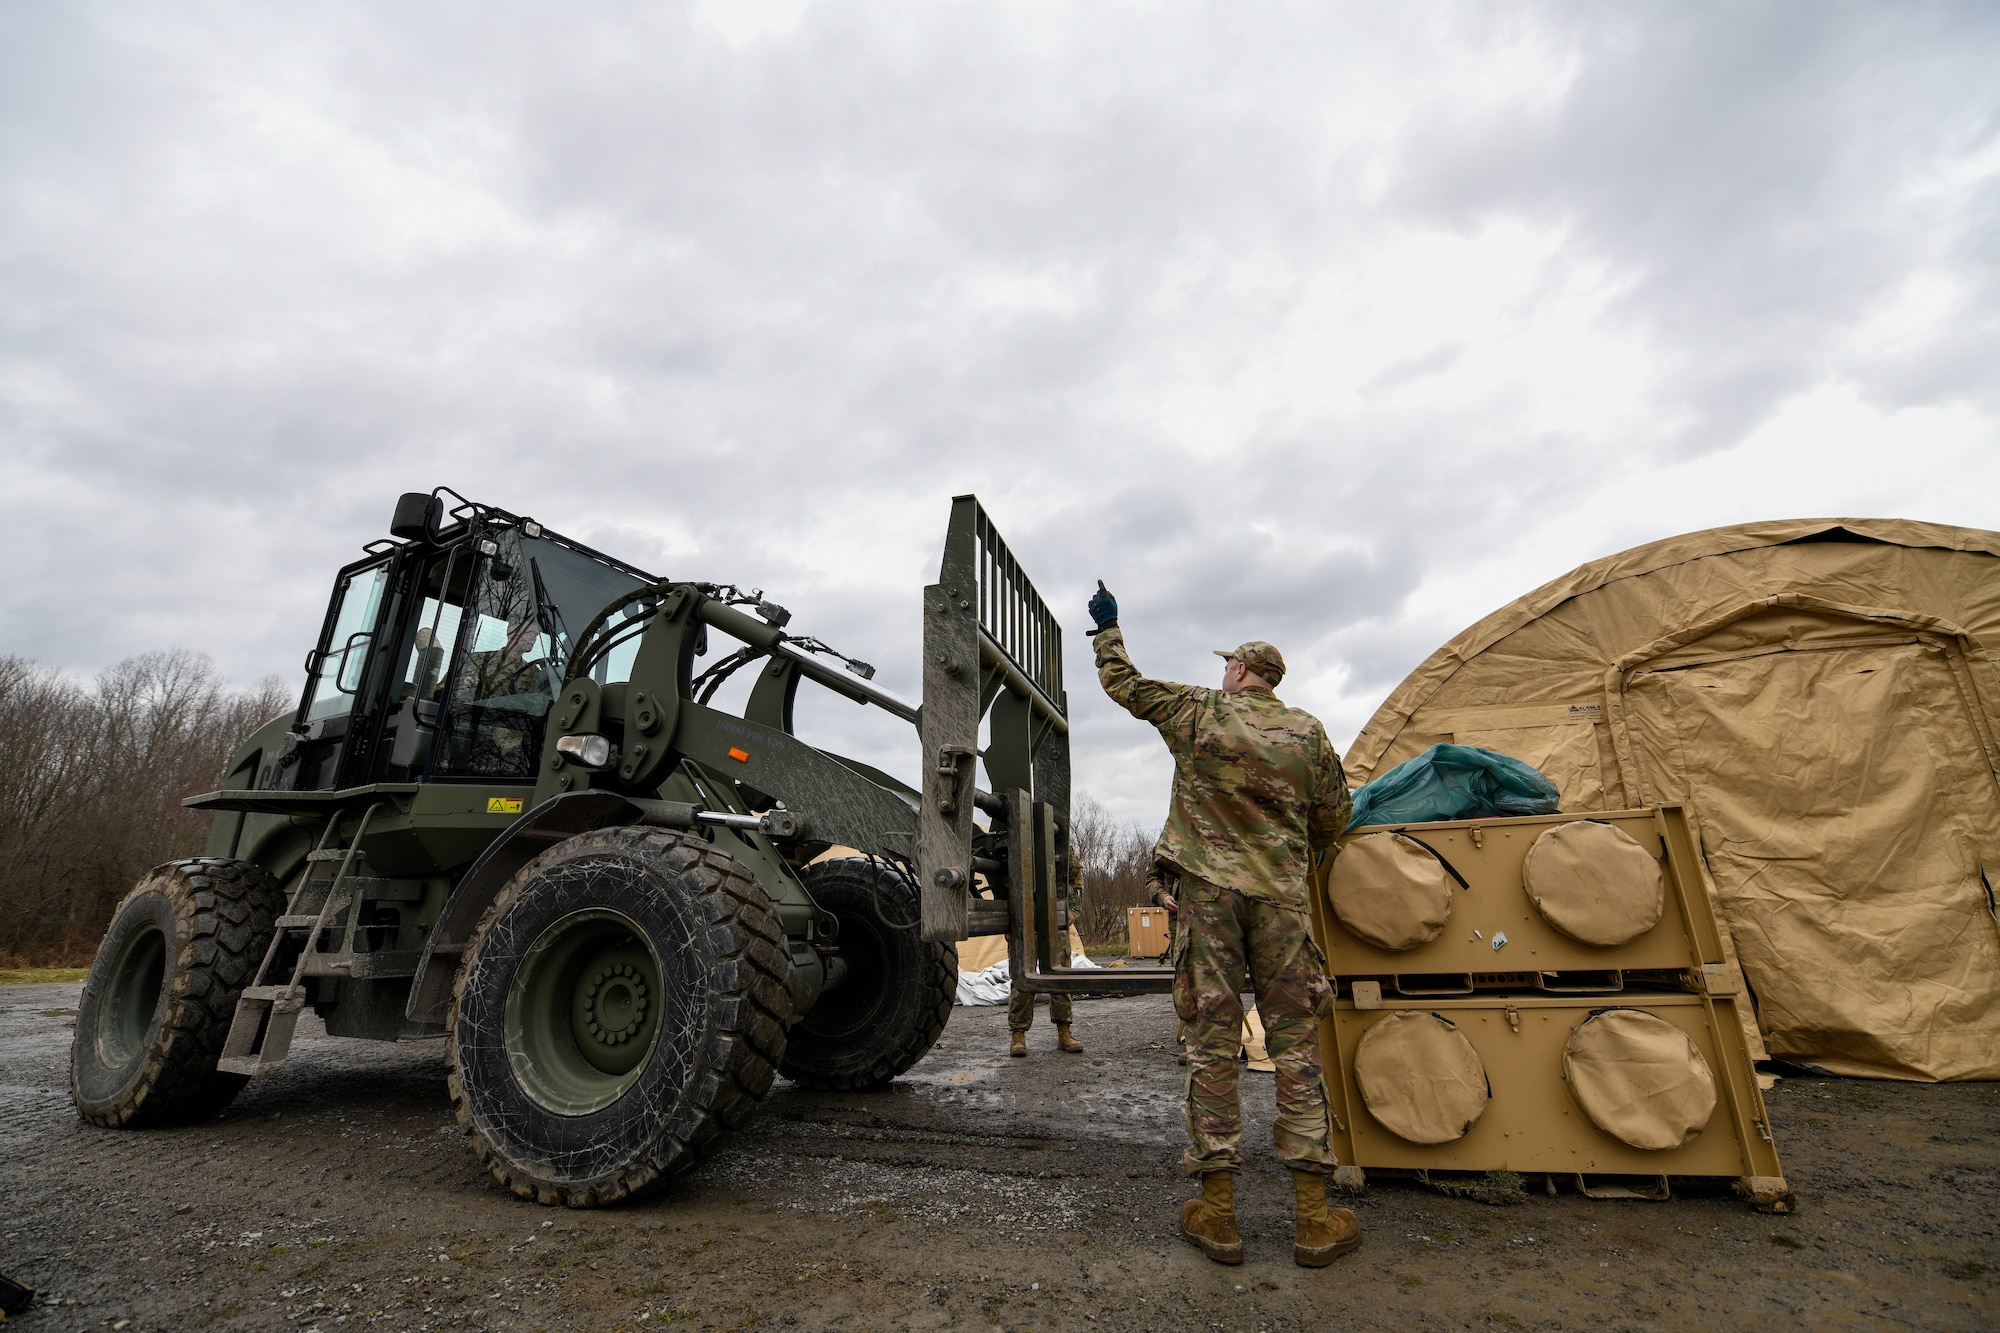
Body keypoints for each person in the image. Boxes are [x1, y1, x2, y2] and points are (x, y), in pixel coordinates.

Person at [1088, 580, 1361, 1268]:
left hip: (1208, 903)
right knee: (1296, 1051)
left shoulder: (1201, 711)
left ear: (1240, 671)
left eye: (1227, 665)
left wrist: (1107, 629)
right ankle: (1313, 1219)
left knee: (1213, 1049)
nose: (1223, 673)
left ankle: (1218, 1216)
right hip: (1281, 905)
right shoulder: (1307, 731)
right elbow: (1336, 816)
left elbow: (1124, 685)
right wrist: (1290, 860)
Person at [1008, 862, 1085, 1057]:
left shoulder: (1058, 840)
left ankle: (1064, 1031)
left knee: (1061, 977)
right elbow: (1001, 881)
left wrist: (1073, 910)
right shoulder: (1013, 842)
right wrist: (1006, 919)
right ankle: (1018, 1035)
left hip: (1055, 919)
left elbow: (1075, 877)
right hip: (1022, 918)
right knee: (1022, 978)